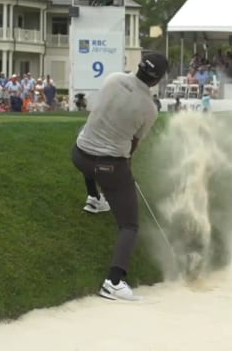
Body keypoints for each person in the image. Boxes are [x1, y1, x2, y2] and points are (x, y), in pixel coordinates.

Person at [71, 51, 168, 301]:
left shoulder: (113, 79)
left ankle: (94, 198)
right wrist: (127, 166)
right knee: (129, 225)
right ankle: (114, 282)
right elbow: (134, 144)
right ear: (157, 80)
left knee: (90, 159)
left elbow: (95, 111)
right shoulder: (149, 108)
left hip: (80, 155)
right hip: (110, 166)